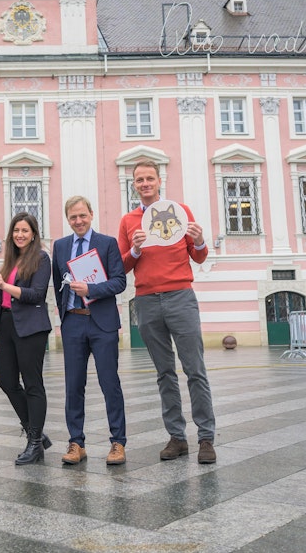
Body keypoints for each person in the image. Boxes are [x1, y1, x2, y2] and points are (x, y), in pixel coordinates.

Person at [117, 160, 217, 464]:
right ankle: (177, 437)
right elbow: (121, 266)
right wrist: (134, 250)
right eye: (139, 180)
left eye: (149, 178)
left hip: (180, 296)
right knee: (164, 373)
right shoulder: (128, 221)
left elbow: (199, 257)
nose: (145, 184)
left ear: (159, 181)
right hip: (146, 300)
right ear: (134, 185)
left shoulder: (180, 211)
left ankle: (206, 438)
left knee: (195, 369)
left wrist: (199, 240)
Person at [51, 196, 128, 466]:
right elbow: (57, 284)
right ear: (67, 219)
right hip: (73, 322)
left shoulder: (107, 243)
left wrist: (91, 290)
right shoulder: (60, 246)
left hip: (102, 323)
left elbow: (120, 282)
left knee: (109, 383)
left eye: (82, 215)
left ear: (91, 214)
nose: (78, 221)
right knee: (73, 386)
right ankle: (76, 443)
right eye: (73, 217)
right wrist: (64, 317)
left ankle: (118, 442)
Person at [0, 212, 53, 465]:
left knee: (33, 383)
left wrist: (4, 285)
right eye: (16, 230)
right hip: (7, 325)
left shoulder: (41, 258)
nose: (20, 235)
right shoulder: (10, 260)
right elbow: (1, 300)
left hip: (31, 327)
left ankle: (34, 442)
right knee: (6, 381)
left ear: (34, 234)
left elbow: (36, 294)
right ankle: (34, 431)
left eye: (25, 230)